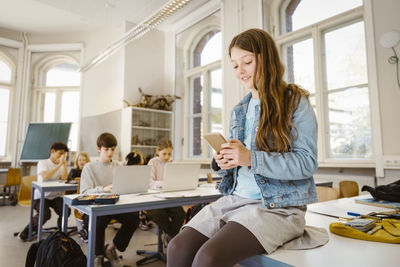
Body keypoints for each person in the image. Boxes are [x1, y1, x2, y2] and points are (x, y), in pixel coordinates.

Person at [167, 28, 319, 267]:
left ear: (266, 58)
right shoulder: (240, 109)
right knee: (177, 247)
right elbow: (238, 166)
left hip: (278, 207)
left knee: (208, 258)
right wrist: (223, 161)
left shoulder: (295, 101)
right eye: (235, 65)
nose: (240, 72)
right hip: (236, 200)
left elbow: (307, 163)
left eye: (247, 62)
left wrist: (250, 158)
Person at [80, 133, 139, 267]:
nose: (110, 153)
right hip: (95, 207)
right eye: (106, 149)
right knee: (98, 219)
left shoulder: (118, 166)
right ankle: (98, 255)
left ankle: (110, 249)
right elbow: (84, 192)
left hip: (114, 206)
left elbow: (125, 187)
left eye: (112, 149)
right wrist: (103, 189)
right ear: (98, 148)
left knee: (134, 217)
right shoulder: (89, 168)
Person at [18, 142, 71, 241]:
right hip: (40, 196)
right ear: (52, 151)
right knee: (45, 214)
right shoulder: (43, 163)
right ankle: (26, 231)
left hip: (54, 196)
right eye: (60, 153)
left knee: (65, 210)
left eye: (64, 155)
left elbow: (64, 178)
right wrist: (59, 165)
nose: (62, 156)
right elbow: (45, 177)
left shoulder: (61, 165)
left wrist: (64, 165)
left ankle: (61, 231)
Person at [147, 138, 186, 245]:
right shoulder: (152, 162)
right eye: (164, 154)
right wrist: (165, 183)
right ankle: (172, 236)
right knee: (159, 214)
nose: (167, 157)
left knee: (180, 214)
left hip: (169, 197)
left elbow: (176, 180)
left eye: (169, 154)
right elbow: (150, 183)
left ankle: (169, 236)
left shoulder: (172, 162)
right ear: (157, 151)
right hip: (153, 198)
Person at [125, 150, 152, 231]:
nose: (140, 168)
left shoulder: (140, 172)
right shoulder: (126, 172)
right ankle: (142, 219)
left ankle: (143, 218)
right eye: (138, 165)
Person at [67, 152, 91, 242]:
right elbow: (68, 180)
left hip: (87, 195)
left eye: (84, 160)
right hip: (76, 195)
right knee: (81, 210)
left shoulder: (89, 171)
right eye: (79, 160)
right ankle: (83, 230)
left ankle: (85, 229)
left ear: (87, 161)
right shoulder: (74, 171)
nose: (81, 162)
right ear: (77, 161)